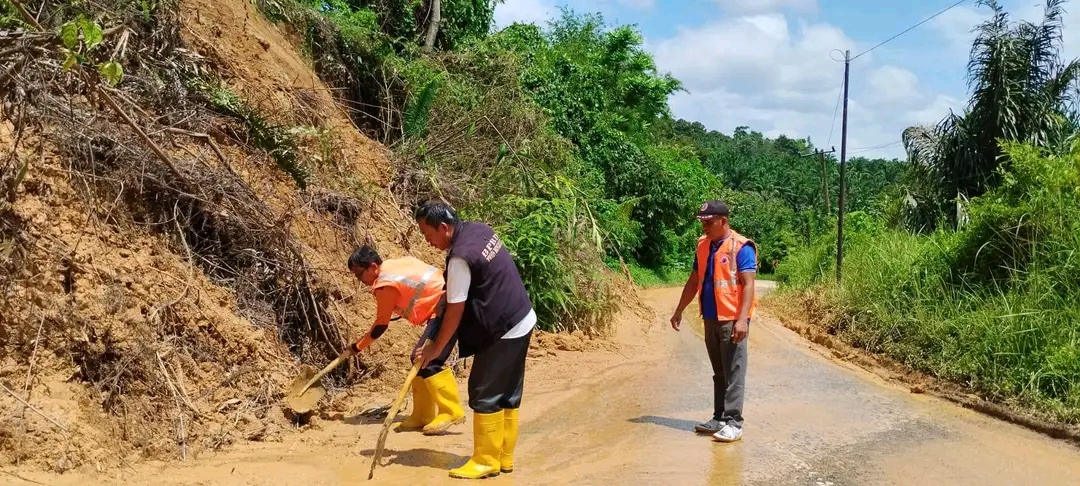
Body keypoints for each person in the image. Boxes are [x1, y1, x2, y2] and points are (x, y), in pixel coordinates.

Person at [413, 200, 536, 479]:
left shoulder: (459, 257)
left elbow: (455, 312)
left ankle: (485, 460)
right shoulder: (479, 230)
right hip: (522, 317)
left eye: (427, 234)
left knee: (484, 392)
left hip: (502, 328)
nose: (427, 241)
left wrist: (436, 347)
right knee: (508, 393)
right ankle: (504, 458)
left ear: (443, 227)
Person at [345, 245, 465, 435]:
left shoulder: (385, 284)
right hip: (447, 300)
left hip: (446, 306)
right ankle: (422, 415)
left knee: (427, 359)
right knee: (418, 358)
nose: (359, 280)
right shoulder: (393, 265)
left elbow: (380, 325)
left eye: (359, 274)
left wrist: (357, 347)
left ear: (373, 267)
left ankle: (451, 410)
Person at [669, 200, 757, 443]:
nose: (705, 226)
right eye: (702, 222)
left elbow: (748, 284)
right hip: (710, 317)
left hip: (732, 319)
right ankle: (719, 417)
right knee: (719, 373)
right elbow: (693, 279)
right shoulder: (702, 246)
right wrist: (679, 310)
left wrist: (742, 320)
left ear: (723, 221)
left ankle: (734, 423)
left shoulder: (741, 247)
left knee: (734, 371)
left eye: (709, 222)